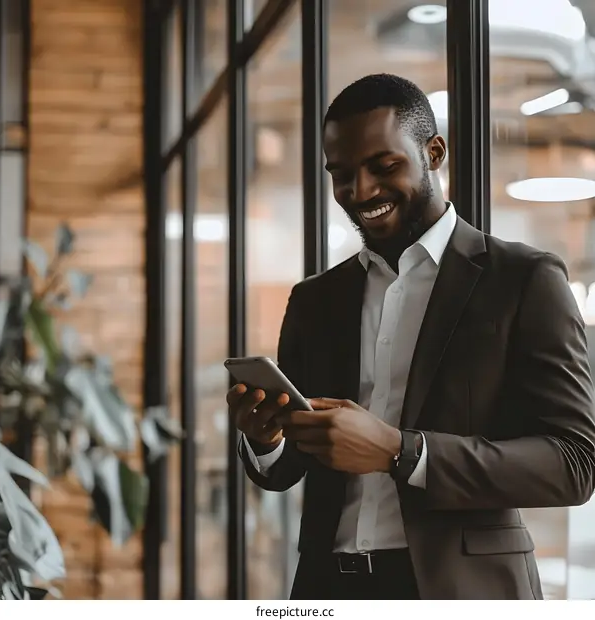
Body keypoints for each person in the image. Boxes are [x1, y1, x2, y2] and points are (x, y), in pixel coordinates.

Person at [226, 73, 595, 600]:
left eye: (384, 166)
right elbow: (286, 470)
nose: (361, 191)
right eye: (342, 174)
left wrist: (402, 452)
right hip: (329, 590)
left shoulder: (524, 279)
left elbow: (574, 462)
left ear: (434, 152)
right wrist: (266, 439)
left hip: (466, 591)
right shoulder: (316, 300)